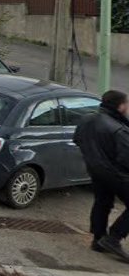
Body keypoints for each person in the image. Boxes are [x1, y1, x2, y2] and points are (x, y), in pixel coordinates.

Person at [74, 89, 129, 262]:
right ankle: (113, 238)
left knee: (102, 202)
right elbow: (126, 158)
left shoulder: (87, 118)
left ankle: (98, 239)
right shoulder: (119, 129)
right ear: (120, 106)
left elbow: (77, 139)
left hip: (95, 170)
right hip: (116, 174)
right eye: (126, 104)